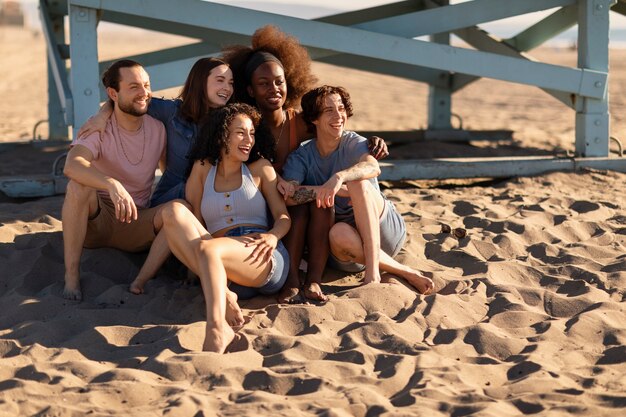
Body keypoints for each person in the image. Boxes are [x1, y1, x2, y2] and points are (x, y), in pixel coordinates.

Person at [222, 25, 389, 303]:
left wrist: (372, 140)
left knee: (319, 205)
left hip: (296, 196)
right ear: (249, 89)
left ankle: (312, 281)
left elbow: (334, 129)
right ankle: (292, 281)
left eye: (279, 81)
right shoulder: (245, 124)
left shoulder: (297, 122)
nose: (274, 89)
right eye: (264, 83)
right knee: (302, 210)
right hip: (261, 202)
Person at [156, 102, 290, 353]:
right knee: (172, 212)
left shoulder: (260, 169)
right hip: (219, 265)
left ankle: (217, 329)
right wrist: (192, 272)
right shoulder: (202, 169)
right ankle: (227, 295)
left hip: (261, 254)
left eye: (251, 133)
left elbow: (283, 217)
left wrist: (273, 237)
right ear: (222, 135)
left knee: (208, 249)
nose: (248, 139)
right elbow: (195, 224)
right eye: (240, 132)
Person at [280, 85, 434, 295]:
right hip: (349, 250)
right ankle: (403, 270)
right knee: (336, 232)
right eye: (329, 111)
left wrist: (339, 177)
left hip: (384, 230)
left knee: (357, 182)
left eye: (341, 108)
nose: (338, 116)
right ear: (314, 119)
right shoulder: (302, 156)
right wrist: (331, 191)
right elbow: (289, 196)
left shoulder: (352, 142)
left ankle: (372, 274)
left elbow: (373, 166)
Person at [62, 60, 170, 301]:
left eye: (146, 85)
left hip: (136, 219)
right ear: (113, 93)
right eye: (134, 87)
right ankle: (71, 277)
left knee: (179, 208)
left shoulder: (159, 129)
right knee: (78, 186)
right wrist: (111, 183)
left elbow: (169, 173)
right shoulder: (98, 127)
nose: (144, 93)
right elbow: (72, 164)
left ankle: (141, 281)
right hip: (96, 221)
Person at [77, 57, 234, 206]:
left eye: (230, 83)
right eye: (220, 80)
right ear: (200, 82)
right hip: (174, 199)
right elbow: (128, 101)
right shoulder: (172, 112)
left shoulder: (233, 120)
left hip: (214, 198)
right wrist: (102, 116)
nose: (227, 88)